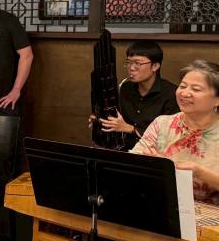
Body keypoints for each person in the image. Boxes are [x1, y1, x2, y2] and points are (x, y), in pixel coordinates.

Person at [131, 60, 219, 203]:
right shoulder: (162, 124)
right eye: (182, 86)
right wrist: (154, 165)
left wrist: (200, 172)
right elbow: (131, 166)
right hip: (163, 206)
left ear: (217, 100)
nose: (185, 93)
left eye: (196, 89)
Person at [91, 41, 179, 150]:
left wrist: (130, 129)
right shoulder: (125, 88)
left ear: (155, 66)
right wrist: (101, 119)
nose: (131, 68)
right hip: (124, 150)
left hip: (152, 156)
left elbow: (167, 138)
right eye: (128, 62)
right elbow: (118, 119)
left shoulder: (171, 94)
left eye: (138, 63)